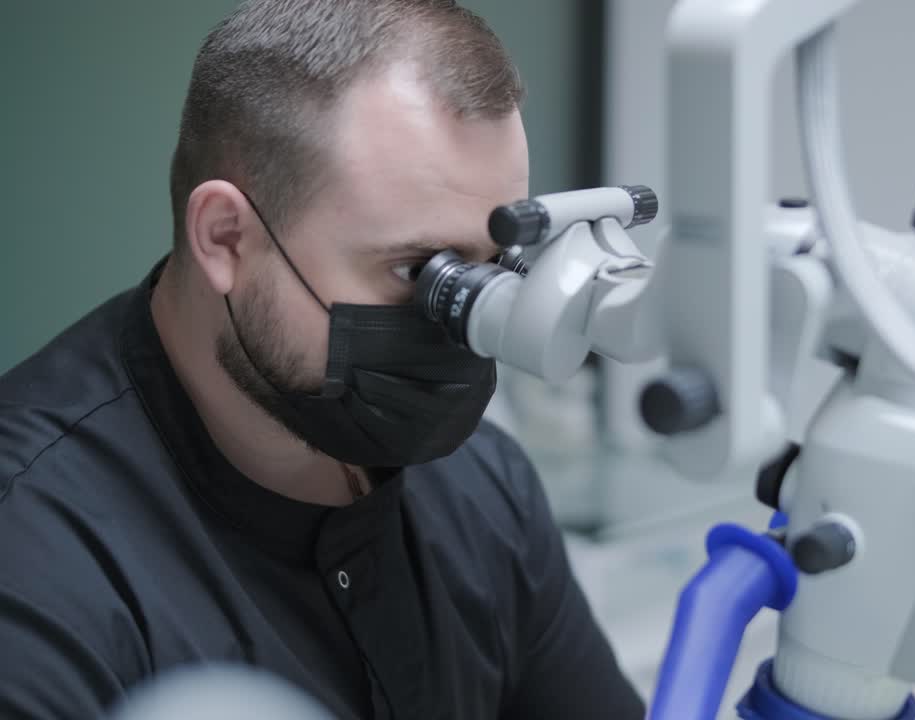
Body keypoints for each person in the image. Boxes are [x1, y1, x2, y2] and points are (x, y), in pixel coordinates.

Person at [0, 1, 644, 718]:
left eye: (493, 265)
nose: (467, 324)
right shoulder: (32, 558)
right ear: (225, 238)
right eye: (417, 271)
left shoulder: (486, 491)